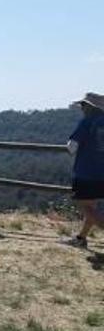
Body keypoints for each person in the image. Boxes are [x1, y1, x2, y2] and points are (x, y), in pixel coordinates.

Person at [64, 92, 104, 248]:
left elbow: (71, 147)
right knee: (91, 206)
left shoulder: (87, 122)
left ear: (90, 107)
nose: (82, 108)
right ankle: (81, 238)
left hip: (86, 172)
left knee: (84, 206)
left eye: (84, 105)